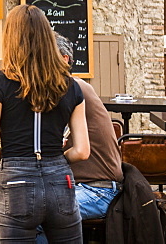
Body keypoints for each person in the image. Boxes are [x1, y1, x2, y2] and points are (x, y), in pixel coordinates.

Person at [0, 5, 90, 243]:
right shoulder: (71, 86)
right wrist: (57, 159)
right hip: (61, 179)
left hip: (16, 180)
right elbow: (82, 151)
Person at [53, 33, 122, 224]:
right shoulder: (71, 88)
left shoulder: (73, 88)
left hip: (98, 190)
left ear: (64, 59)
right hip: (83, 186)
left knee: (42, 214)